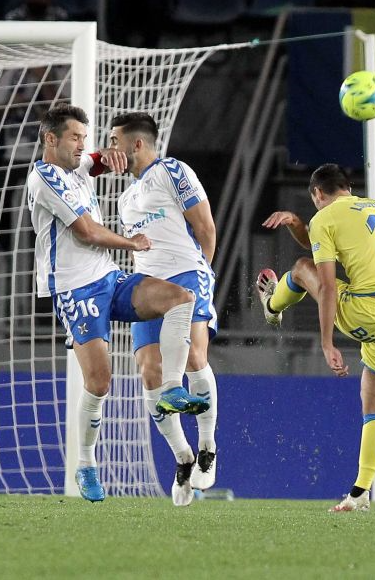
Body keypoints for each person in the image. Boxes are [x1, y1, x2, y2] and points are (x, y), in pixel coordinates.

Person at [27, 103, 209, 504]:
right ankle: (87, 464)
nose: (82, 145)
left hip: (109, 278)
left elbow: (103, 161)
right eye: (74, 137)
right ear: (50, 139)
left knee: (180, 298)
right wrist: (133, 243)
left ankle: (173, 390)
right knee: (100, 382)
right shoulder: (44, 179)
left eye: (85, 138)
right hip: (76, 290)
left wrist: (111, 156)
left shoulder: (77, 164)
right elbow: (89, 232)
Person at [255, 163, 375, 513]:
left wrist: (327, 343)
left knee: (302, 268)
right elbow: (324, 241)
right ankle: (361, 492)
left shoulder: (325, 219)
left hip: (365, 311)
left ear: (317, 194)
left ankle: (271, 306)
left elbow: (328, 284)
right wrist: (298, 224)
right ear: (347, 187)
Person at [108, 112, 219, 506]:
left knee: (194, 357)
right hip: (148, 287)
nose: (111, 148)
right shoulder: (125, 197)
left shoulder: (174, 171)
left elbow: (205, 227)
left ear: (136, 144)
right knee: (149, 370)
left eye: (115, 140)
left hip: (188, 275)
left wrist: (202, 275)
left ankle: (207, 447)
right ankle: (183, 458)